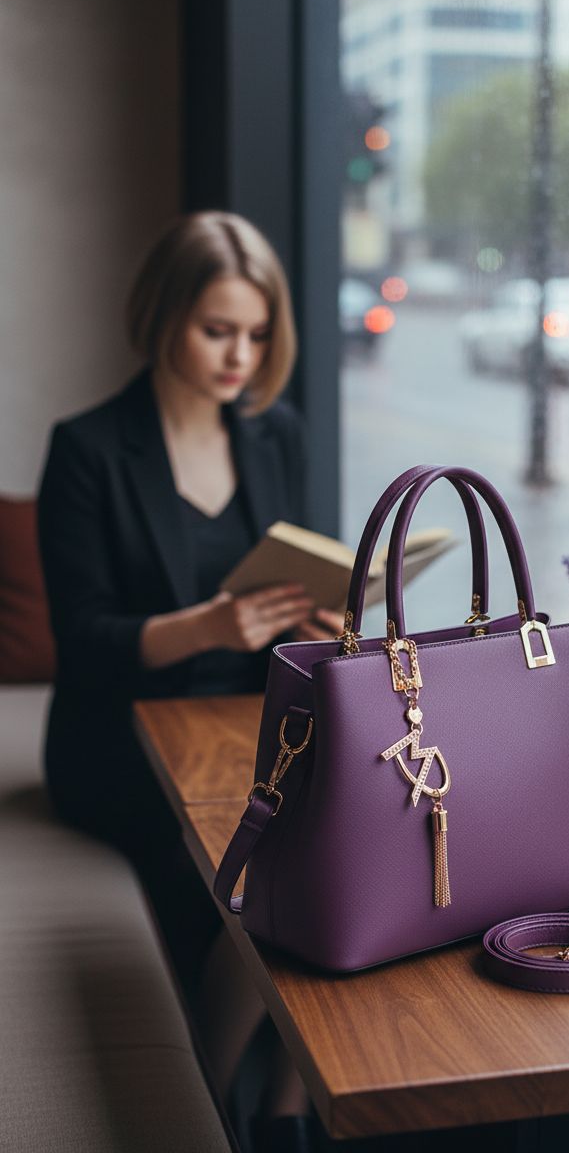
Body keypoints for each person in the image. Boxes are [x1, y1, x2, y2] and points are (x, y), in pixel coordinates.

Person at [37, 210, 342, 948]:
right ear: (163, 315)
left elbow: (302, 569)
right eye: (217, 331)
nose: (241, 355)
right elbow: (81, 643)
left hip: (251, 726)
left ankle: (271, 1054)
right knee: (210, 862)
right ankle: (228, 1056)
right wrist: (206, 626)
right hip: (124, 738)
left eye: (258, 334)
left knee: (336, 836)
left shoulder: (280, 435)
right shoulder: (89, 449)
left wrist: (317, 624)